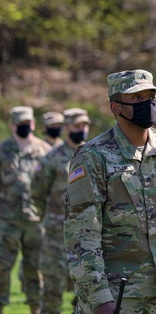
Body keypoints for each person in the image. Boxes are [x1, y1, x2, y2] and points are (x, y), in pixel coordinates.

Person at [64, 70, 156, 314]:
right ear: (116, 107)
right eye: (137, 99)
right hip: (117, 293)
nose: (148, 104)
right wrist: (98, 296)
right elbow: (81, 235)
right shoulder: (93, 156)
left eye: (151, 97)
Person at [33, 108, 90, 314]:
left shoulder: (93, 154)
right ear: (66, 128)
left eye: (84, 126)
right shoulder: (52, 158)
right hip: (57, 235)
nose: (81, 130)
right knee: (52, 291)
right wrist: (47, 216)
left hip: (87, 234)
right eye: (77, 126)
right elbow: (38, 191)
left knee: (86, 293)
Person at [0, 106, 51, 314]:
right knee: (2, 269)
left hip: (36, 220)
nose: (25, 126)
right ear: (12, 125)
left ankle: (35, 309)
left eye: (28, 123)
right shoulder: (3, 151)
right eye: (21, 123)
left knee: (35, 269)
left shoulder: (45, 151)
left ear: (34, 124)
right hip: (7, 221)